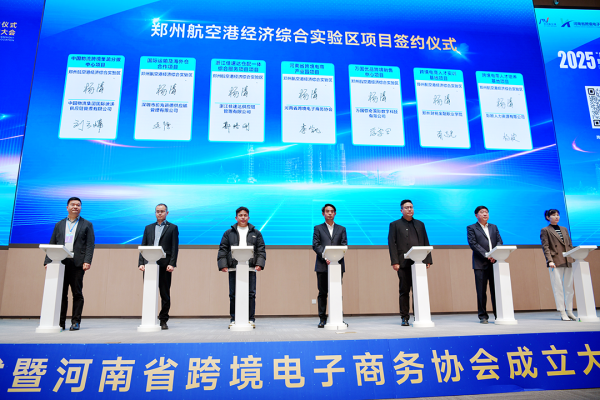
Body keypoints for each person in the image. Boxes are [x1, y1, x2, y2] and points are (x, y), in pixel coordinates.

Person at [43, 197, 95, 331]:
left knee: (77, 293)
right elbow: (52, 243)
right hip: (60, 261)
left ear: (81, 208)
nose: (75, 207)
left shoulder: (87, 224)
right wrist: (48, 261)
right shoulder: (59, 224)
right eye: (72, 204)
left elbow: (90, 245)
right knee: (61, 294)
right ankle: (60, 322)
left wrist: (87, 261)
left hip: (77, 263)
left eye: (78, 205)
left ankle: (76, 322)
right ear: (67, 207)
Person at [218, 207, 266, 328]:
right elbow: (223, 249)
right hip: (234, 268)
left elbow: (261, 250)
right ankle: (234, 318)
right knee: (233, 294)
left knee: (251, 294)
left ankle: (250, 319)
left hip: (250, 268)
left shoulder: (256, 233)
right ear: (236, 218)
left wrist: (259, 264)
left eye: (245, 215)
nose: (243, 217)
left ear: (248, 217)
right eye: (240, 215)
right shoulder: (228, 233)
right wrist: (223, 265)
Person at [388, 199, 432, 327]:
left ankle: (419, 315)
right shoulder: (395, 225)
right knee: (404, 290)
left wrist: (428, 260)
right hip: (403, 263)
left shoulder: (420, 224)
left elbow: (426, 241)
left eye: (411, 207)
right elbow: (392, 244)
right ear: (401, 210)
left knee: (419, 290)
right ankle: (405, 317)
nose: (409, 209)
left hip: (419, 262)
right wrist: (395, 261)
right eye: (406, 207)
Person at [138, 203, 179, 330]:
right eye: (157, 211)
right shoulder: (148, 228)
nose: (159, 213)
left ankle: (163, 319)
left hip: (165, 265)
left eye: (162, 211)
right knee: (149, 291)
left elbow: (174, 247)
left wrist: (172, 263)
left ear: (167, 213)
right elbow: (143, 246)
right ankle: (149, 318)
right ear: (155, 213)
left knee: (165, 294)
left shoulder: (172, 228)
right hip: (149, 264)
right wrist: (141, 263)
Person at [312, 204, 348, 328]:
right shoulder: (318, 228)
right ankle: (322, 319)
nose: (330, 213)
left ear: (335, 213)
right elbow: (316, 245)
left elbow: (344, 245)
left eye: (332, 211)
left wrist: (334, 257)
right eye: (327, 211)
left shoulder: (342, 229)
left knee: (337, 292)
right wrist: (326, 256)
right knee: (322, 293)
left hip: (337, 265)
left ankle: (338, 318)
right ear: (323, 214)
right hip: (322, 265)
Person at [467, 206, 503, 324]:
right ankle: (483, 316)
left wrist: (495, 254)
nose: (485, 214)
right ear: (476, 215)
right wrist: (488, 255)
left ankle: (499, 314)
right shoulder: (471, 228)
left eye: (486, 212)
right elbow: (473, 244)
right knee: (481, 291)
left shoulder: (494, 227)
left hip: (494, 262)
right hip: (480, 263)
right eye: (482, 212)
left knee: (496, 290)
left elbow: (499, 241)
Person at [540, 209, 575, 321]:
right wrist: (549, 260)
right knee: (558, 287)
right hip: (555, 261)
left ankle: (569, 311)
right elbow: (545, 247)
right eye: (553, 215)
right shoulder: (545, 230)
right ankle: (562, 311)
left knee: (569, 288)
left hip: (568, 260)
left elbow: (569, 244)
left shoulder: (564, 229)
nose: (556, 217)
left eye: (557, 215)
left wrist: (573, 257)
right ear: (547, 217)